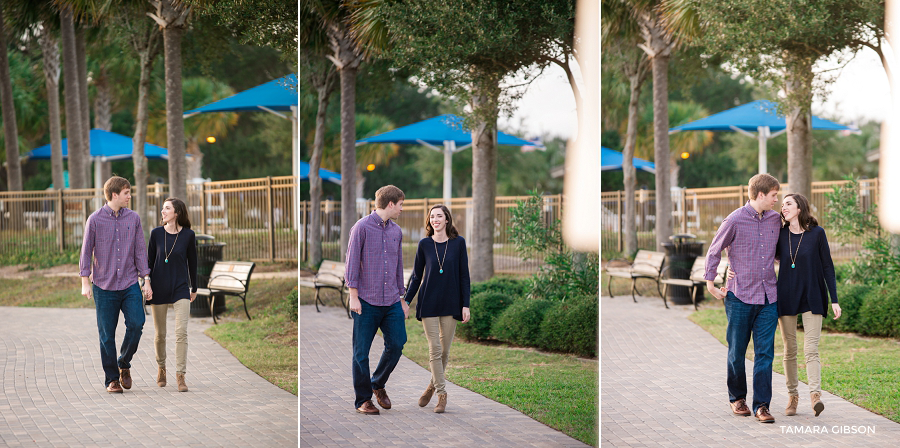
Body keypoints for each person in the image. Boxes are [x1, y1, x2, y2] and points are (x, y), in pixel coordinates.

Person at [730, 193, 842, 417]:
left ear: (800, 208)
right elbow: (756, 252)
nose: (783, 207)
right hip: (786, 296)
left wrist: (835, 299)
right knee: (790, 351)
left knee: (811, 350)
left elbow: (828, 267)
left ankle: (815, 396)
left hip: (813, 296)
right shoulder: (779, 234)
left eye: (788, 203)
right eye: (781, 204)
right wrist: (733, 269)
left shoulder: (817, 234)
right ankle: (793, 397)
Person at [704, 173, 781, 423]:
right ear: (760, 194)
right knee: (737, 351)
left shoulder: (774, 220)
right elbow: (714, 251)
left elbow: (780, 253)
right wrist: (711, 283)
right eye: (773, 195)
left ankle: (762, 406)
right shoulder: (734, 220)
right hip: (739, 296)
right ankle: (737, 398)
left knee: (765, 353)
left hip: (769, 296)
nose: (776, 199)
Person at [79, 176, 151, 393]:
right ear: (114, 195)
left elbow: (140, 250)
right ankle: (112, 379)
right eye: (127, 193)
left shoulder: (134, 219)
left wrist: (146, 280)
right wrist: (85, 282)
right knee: (106, 335)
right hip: (103, 286)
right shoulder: (95, 220)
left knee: (137, 324)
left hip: (129, 283)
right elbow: (85, 252)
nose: (130, 196)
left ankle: (124, 363)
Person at [346, 185, 407, 415]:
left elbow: (398, 266)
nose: (402, 209)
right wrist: (353, 296)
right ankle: (363, 400)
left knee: (398, 343)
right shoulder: (361, 227)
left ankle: (377, 383)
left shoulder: (396, 232)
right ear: (391, 204)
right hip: (366, 301)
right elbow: (351, 262)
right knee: (361, 353)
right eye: (401, 204)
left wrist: (401, 298)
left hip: (391, 300)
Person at [404, 204, 471, 413]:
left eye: (439, 216)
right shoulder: (424, 244)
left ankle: (431, 386)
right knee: (434, 349)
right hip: (429, 302)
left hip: (452, 302)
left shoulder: (458, 243)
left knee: (445, 352)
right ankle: (442, 394)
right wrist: (406, 300)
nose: (435, 219)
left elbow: (464, 276)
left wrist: (465, 304)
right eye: (432, 216)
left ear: (447, 219)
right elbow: (416, 276)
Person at [146, 197, 198, 392]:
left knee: (181, 332)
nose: (163, 211)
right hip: (158, 288)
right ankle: (161, 368)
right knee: (160, 335)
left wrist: (194, 288)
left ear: (177, 213)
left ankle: (180, 375)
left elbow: (192, 263)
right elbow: (149, 263)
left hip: (180, 288)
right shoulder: (156, 234)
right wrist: (147, 283)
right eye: (162, 208)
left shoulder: (188, 235)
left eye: (167, 208)